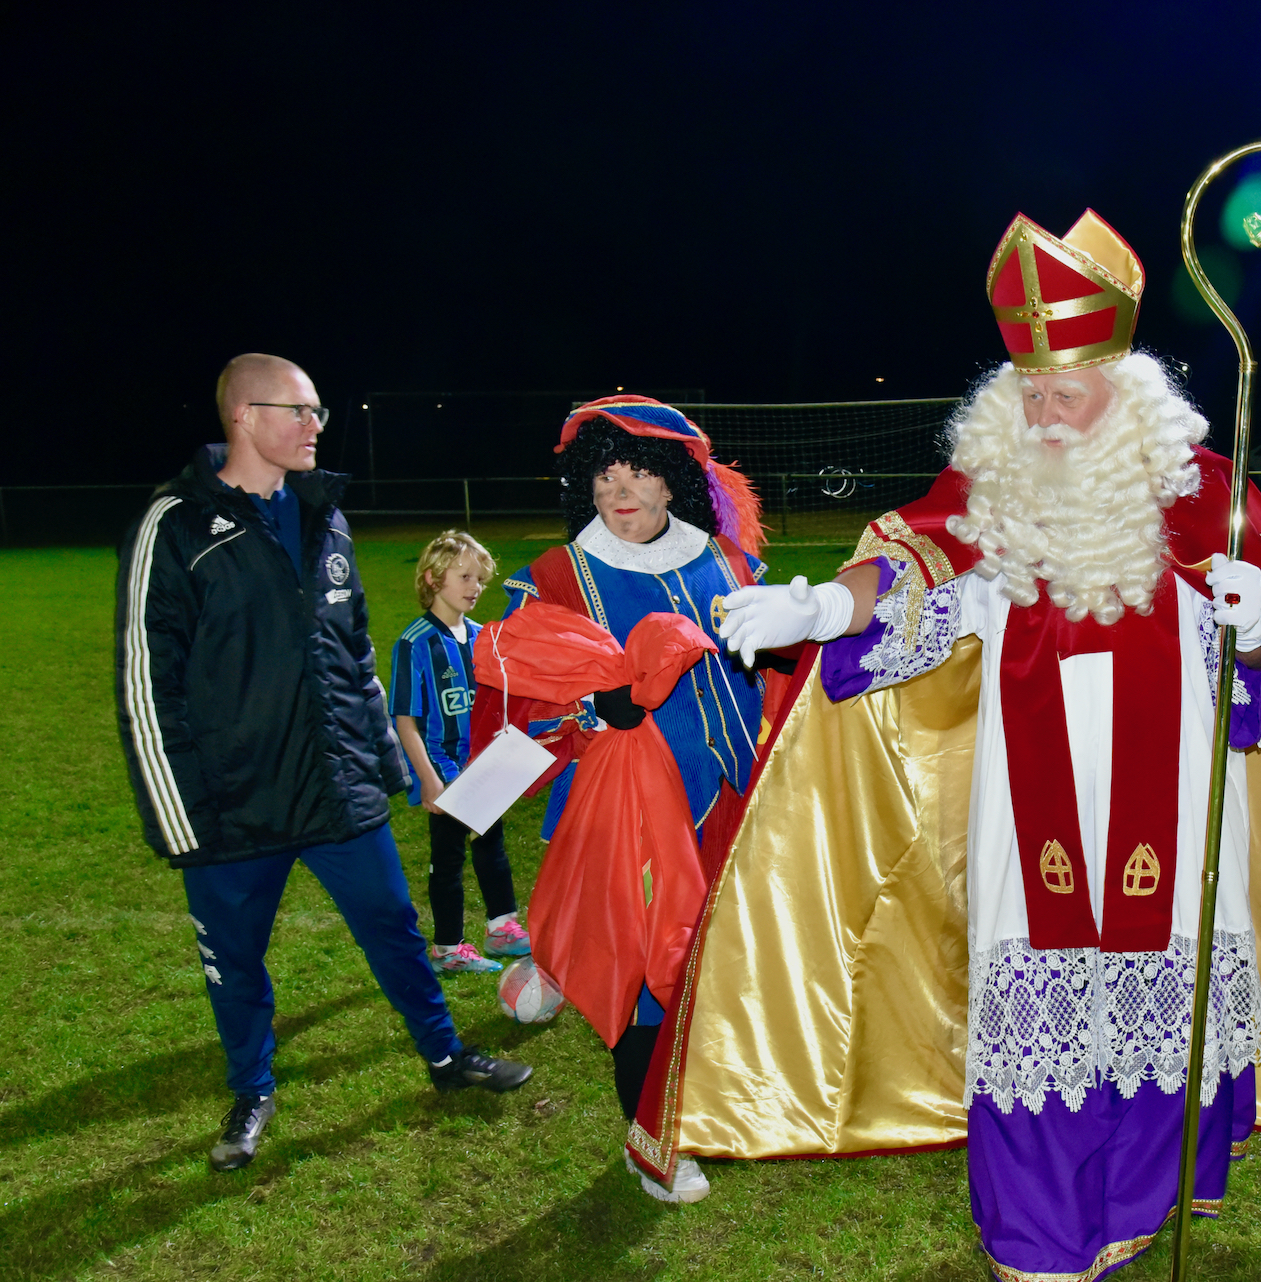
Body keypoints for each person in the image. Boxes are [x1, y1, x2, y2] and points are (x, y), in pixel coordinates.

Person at [710, 212, 1261, 1277]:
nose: (1040, 413)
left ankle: (1136, 1202)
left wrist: (1253, 632)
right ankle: (1038, 1234)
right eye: (1027, 391)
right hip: (1030, 805)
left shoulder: (1207, 499)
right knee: (1039, 998)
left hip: (1172, 793)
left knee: (1159, 999)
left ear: (1123, 391)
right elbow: (909, 579)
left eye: (1063, 393)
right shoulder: (991, 496)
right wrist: (818, 609)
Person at [113, 353, 533, 1174]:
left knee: (396, 931)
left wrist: (384, 766)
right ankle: (252, 1092)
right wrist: (178, 812)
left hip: (339, 791)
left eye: (318, 415)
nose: (315, 427)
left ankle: (446, 1059)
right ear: (243, 416)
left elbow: (353, 660)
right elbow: (143, 678)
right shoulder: (175, 525)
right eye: (299, 412)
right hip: (235, 804)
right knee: (234, 962)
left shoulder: (325, 519)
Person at [488, 396, 772, 1204]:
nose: (621, 488)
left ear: (674, 482)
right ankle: (651, 1146)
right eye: (605, 473)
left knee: (716, 971)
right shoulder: (555, 578)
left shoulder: (728, 560)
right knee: (649, 982)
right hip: (627, 827)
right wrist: (589, 710)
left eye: (640, 470)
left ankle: (699, 1100)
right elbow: (516, 704)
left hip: (730, 804)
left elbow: (775, 674)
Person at [389, 530, 532, 974]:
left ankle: (501, 926)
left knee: (492, 844)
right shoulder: (415, 643)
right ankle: (448, 948)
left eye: (480, 579)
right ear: (433, 579)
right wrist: (428, 778)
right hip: (444, 767)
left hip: (482, 765)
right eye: (464, 576)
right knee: (448, 856)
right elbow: (405, 719)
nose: (475, 586)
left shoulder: (480, 636)